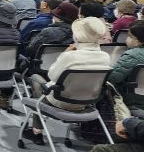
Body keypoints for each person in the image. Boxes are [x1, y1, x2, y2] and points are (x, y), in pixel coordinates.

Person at [22, 17, 111, 145]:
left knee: (36, 78)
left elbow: (52, 75)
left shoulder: (70, 56)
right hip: (87, 101)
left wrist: (63, 55)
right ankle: (37, 128)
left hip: (61, 100)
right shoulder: (106, 57)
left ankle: (37, 131)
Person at [108, 21, 144, 111]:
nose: (127, 38)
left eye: (130, 36)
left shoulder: (132, 55)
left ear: (138, 41)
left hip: (136, 100)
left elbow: (113, 78)